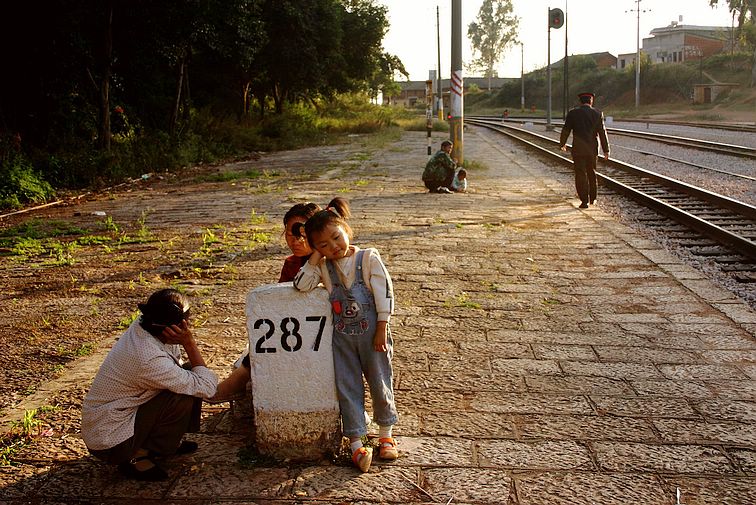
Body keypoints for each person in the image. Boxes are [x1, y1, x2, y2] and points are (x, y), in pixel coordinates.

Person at [293, 198, 398, 473]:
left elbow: (384, 294)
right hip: (343, 340)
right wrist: (315, 259)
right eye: (323, 245)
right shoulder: (324, 267)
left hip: (373, 335)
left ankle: (386, 435)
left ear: (347, 230)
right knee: (348, 387)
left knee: (379, 381)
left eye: (336, 238)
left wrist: (382, 327)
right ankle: (358, 443)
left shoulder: (368, 258)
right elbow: (301, 285)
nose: (333, 247)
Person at [81, 289, 218, 481]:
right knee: (185, 391)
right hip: (111, 441)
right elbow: (207, 387)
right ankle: (137, 456)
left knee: (188, 374)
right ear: (177, 327)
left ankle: (166, 442)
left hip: (119, 416)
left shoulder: (146, 324)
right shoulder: (148, 357)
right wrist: (189, 343)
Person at [207, 202, 322, 403]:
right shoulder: (291, 263)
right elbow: (279, 302)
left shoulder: (329, 262)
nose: (296, 241)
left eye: (302, 234)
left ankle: (239, 379)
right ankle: (240, 378)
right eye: (289, 234)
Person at [559, 92, 610, 209]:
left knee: (580, 173)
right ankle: (593, 198)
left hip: (578, 149)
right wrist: (606, 150)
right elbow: (602, 133)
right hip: (592, 149)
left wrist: (562, 143)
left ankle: (584, 201)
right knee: (592, 172)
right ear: (591, 101)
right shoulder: (598, 113)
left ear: (580, 102)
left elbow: (566, 130)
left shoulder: (573, 113)